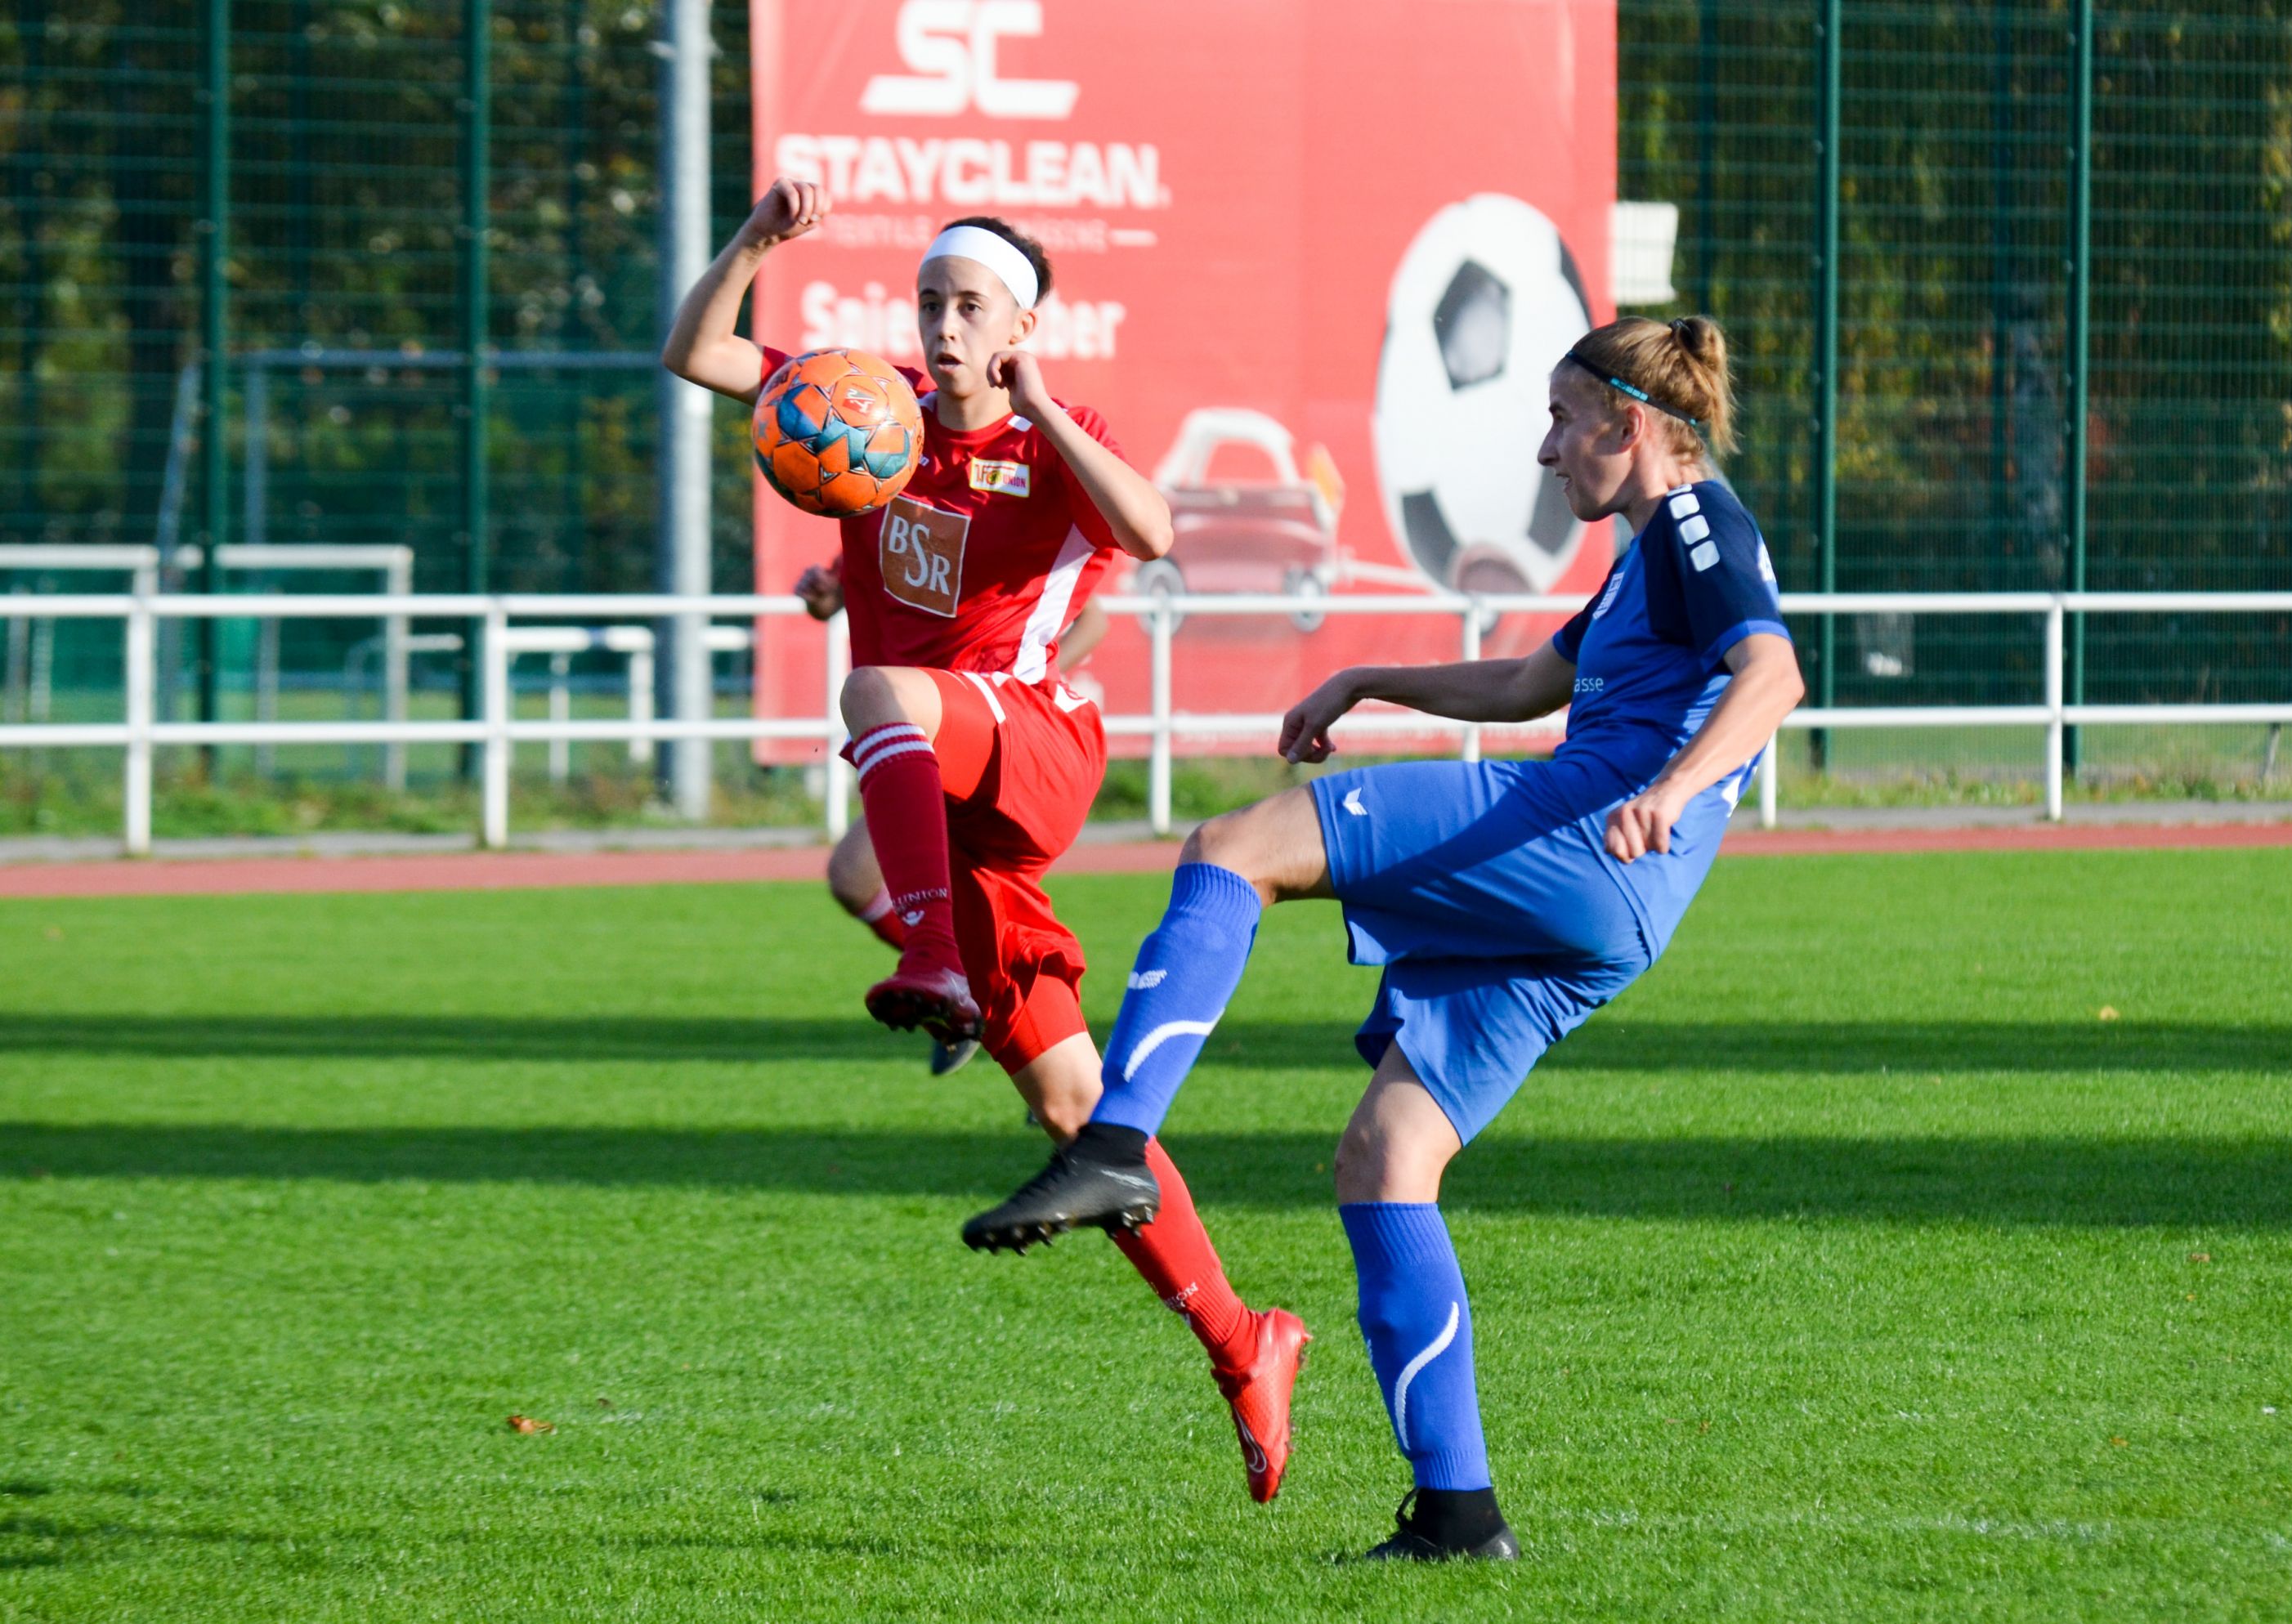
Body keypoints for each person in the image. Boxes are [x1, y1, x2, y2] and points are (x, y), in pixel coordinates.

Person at [962, 315, 1805, 1559]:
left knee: (1231, 846)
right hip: (1617, 908)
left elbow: (1775, 674)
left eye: (1566, 421)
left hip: (1583, 839)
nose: (1545, 449)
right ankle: (1458, 1514)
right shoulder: (1650, 552)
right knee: (1386, 1153)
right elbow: (1530, 685)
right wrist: (1368, 679)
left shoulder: (1692, 521)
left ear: (1632, 425)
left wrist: (1672, 794)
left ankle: (1117, 1139)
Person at [662, 178, 1309, 1501]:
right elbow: (697, 356)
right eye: (931, 303)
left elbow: (1156, 531)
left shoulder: (1055, 441)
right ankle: (1244, 1336)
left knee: (877, 705)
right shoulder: (871, 412)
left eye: (971, 306)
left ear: (1017, 323)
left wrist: (1049, 404)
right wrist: (753, 246)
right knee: (1079, 1109)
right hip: (946, 796)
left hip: (1035, 745)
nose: (943, 326)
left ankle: (941, 970)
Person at [810, 597, 1111, 1079]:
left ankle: (1032, 1034)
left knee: (1001, 930)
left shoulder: (1004, 523)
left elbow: (1093, 617)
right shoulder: (877, 522)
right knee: (852, 877)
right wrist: (831, 587)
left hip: (987, 731)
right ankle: (961, 983)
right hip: (915, 731)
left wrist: (1021, 683)